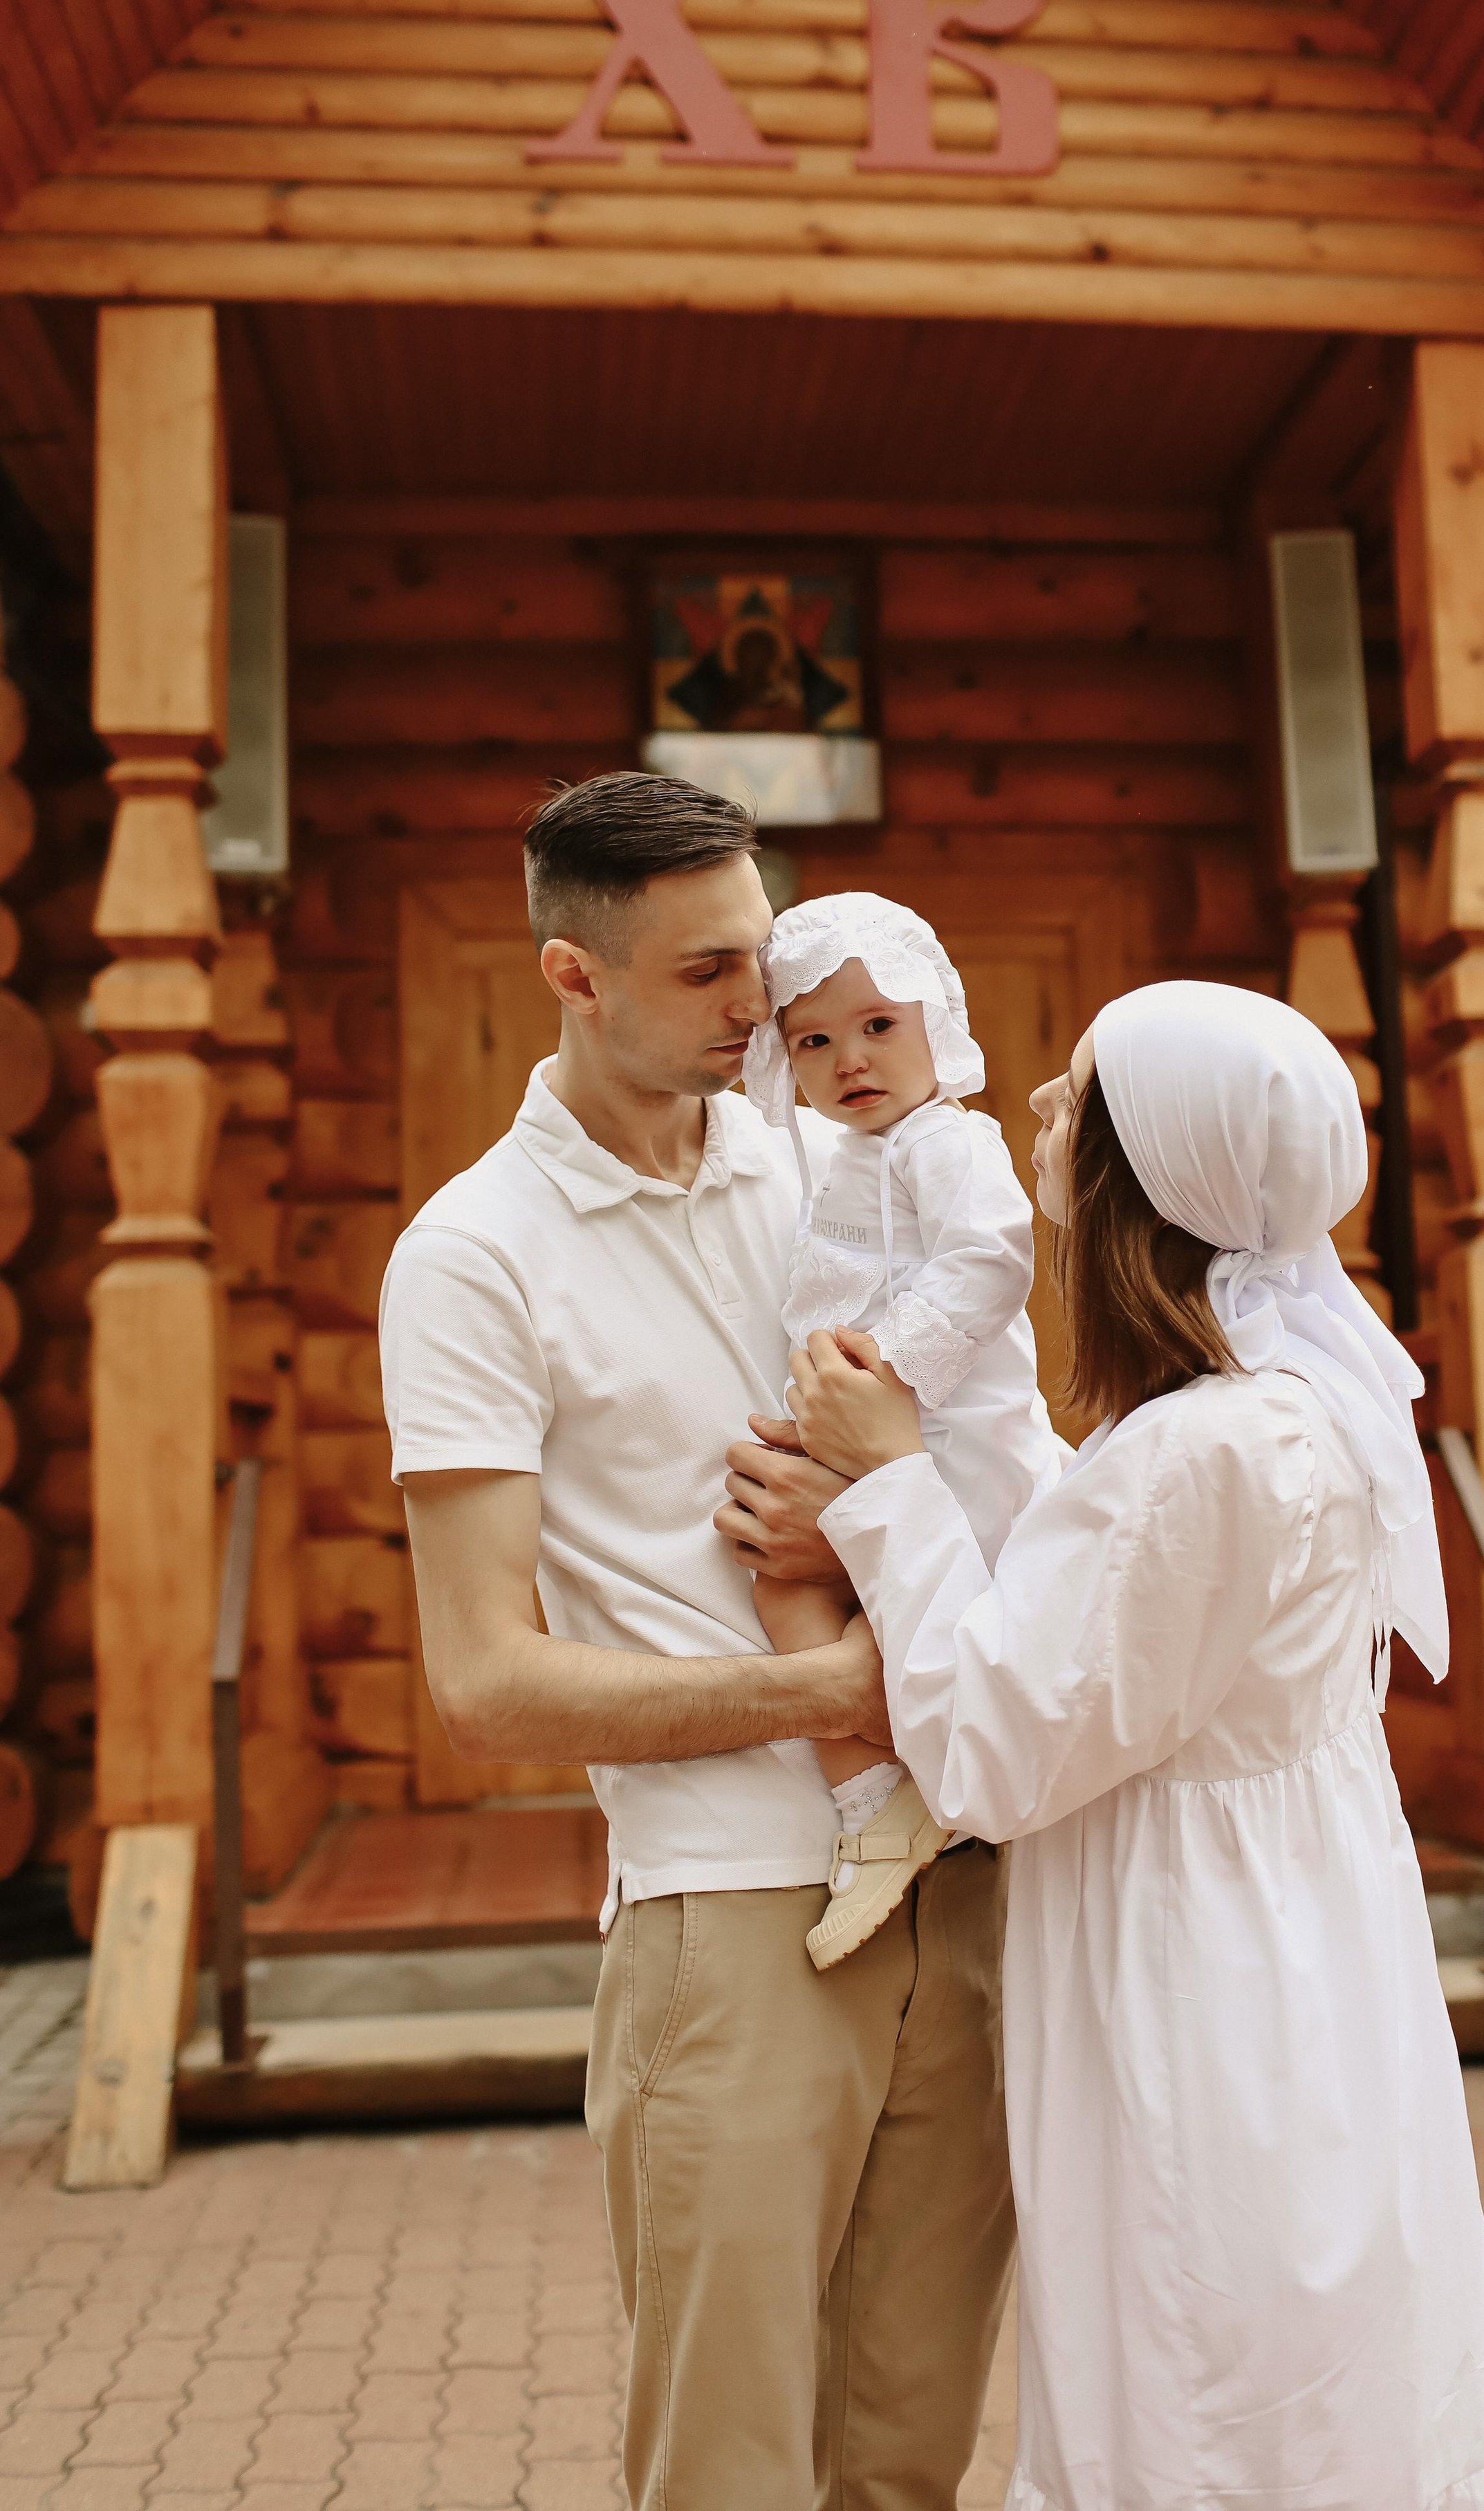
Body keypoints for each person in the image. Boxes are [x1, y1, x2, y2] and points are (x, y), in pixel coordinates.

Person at [788, 979, 1484, 2511]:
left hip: (1199, 1992)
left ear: (1146, 1174)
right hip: (1294, 1959)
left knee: (1204, 2384)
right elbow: (1121, 1613)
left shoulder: (1207, 1450)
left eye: (1075, 1097)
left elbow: (1001, 1741)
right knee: (1308, 2374)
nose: (1037, 1113)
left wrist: (883, 1487)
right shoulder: (1283, 1408)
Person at [378, 771, 1014, 2511]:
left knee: (906, 2457)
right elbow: (486, 1685)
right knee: (727, 2474)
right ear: (572, 977)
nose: (768, 1007)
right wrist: (829, 1685)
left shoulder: (844, 1143)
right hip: (731, 1921)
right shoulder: (469, 1257)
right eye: (712, 973)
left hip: (963, 1876)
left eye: (769, 959)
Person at [741, 891, 1056, 1967]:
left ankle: (910, 1789)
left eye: (880, 1026)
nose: (851, 1061)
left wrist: (888, 1368)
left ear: (938, 1020)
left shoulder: (949, 1142)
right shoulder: (836, 1166)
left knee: (909, 1607)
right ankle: (878, 1789)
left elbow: (992, 1260)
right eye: (814, 1042)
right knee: (777, 1573)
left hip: (948, 1434)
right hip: (859, 1431)